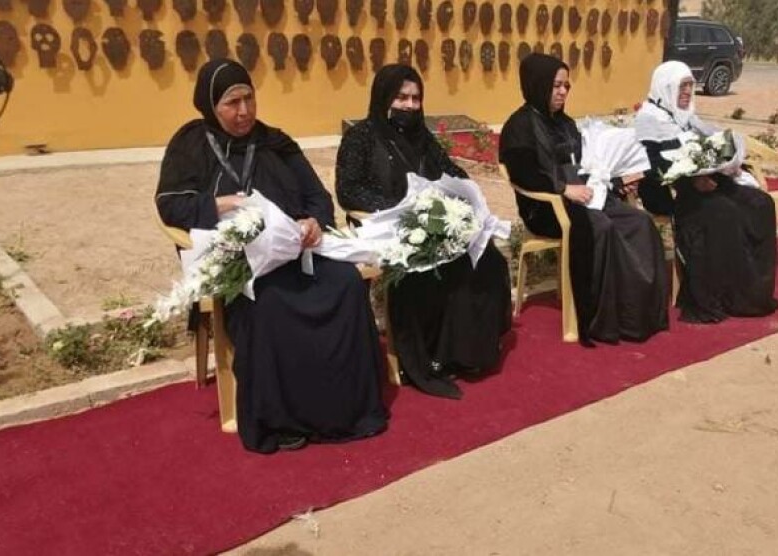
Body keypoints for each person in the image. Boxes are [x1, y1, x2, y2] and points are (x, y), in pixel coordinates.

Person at [155, 59, 388, 454]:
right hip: (241, 261)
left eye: (249, 99)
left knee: (346, 285)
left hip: (294, 251)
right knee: (271, 302)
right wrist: (224, 204)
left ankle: (346, 410)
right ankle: (283, 421)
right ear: (211, 105)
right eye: (232, 103)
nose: (244, 111)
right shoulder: (191, 144)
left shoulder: (275, 143)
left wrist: (313, 222)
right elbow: (170, 205)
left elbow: (317, 196)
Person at [335, 64, 512, 400]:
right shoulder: (361, 137)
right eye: (401, 97)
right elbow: (348, 190)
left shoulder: (422, 136)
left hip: (429, 221)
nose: (410, 105)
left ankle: (466, 351)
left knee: (485, 259)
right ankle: (429, 357)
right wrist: (398, 208)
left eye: (415, 98)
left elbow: (450, 170)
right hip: (384, 224)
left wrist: (460, 194)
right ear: (384, 97)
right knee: (422, 270)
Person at [500, 53, 669, 346]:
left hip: (585, 195)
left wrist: (614, 183)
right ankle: (600, 319)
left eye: (566, 86)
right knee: (600, 227)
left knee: (638, 222)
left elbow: (586, 163)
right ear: (538, 84)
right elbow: (523, 174)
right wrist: (563, 189)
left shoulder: (565, 123)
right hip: (545, 206)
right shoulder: (519, 126)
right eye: (556, 86)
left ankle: (635, 314)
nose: (563, 92)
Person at [635, 61, 778, 324]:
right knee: (724, 211)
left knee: (760, 203)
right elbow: (653, 167)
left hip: (705, 182)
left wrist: (725, 159)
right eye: (682, 86)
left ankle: (752, 293)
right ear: (666, 87)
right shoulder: (649, 119)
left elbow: (705, 149)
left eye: (690, 85)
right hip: (673, 192)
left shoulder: (687, 117)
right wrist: (693, 182)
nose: (687, 91)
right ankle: (722, 296)